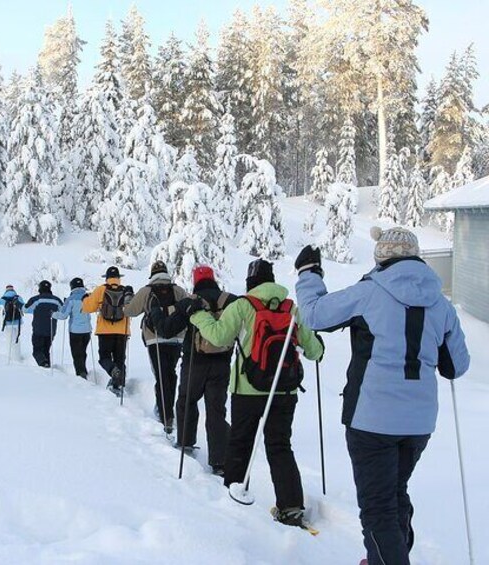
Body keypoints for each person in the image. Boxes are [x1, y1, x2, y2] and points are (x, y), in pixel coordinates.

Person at [294, 227, 470, 565]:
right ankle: (386, 557)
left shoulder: (370, 292)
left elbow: (314, 315)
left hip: (370, 419)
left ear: (381, 258)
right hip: (418, 423)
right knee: (394, 494)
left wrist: (308, 274)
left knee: (378, 509)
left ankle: (387, 558)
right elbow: (456, 367)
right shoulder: (441, 304)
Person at [188, 258, 324, 527]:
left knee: (241, 442)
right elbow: (314, 351)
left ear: (251, 283)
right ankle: (291, 506)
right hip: (285, 391)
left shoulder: (243, 305)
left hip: (248, 390)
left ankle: (233, 497)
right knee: (280, 445)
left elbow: (218, 336)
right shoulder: (291, 308)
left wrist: (197, 316)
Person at [150, 265, 236, 476]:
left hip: (194, 362)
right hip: (223, 363)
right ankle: (219, 461)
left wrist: (155, 315)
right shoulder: (230, 301)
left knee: (187, 401)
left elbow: (168, 330)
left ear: (195, 281)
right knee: (216, 410)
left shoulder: (190, 303)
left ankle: (185, 444)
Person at [124, 260, 188, 433]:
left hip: (154, 339)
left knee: (161, 376)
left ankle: (165, 413)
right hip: (176, 339)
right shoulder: (178, 290)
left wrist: (128, 298)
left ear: (152, 274)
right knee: (170, 373)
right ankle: (168, 411)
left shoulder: (147, 291)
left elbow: (129, 311)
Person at [82, 266, 133, 396]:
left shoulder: (101, 290)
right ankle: (118, 384)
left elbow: (88, 307)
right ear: (118, 278)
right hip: (122, 331)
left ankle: (113, 371)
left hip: (105, 331)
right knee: (120, 358)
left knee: (104, 357)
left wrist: (85, 299)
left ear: (107, 278)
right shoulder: (126, 292)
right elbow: (131, 309)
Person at [53, 277, 93, 378]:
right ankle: (83, 371)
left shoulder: (71, 299)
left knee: (76, 353)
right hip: (87, 331)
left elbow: (63, 315)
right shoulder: (88, 297)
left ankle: (80, 374)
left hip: (75, 331)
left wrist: (53, 314)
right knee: (83, 352)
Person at [24, 280, 64, 368]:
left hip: (38, 330)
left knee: (37, 351)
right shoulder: (57, 300)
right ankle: (47, 367)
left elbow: (25, 309)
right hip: (51, 330)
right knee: (46, 351)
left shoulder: (36, 299)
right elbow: (63, 312)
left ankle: (43, 365)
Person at [0, 285, 25, 359]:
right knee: (17, 339)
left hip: (8, 323)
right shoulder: (18, 298)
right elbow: (24, 307)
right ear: (13, 290)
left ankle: (12, 358)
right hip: (18, 322)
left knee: (10, 340)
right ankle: (18, 356)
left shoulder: (3, 299)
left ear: (6, 291)